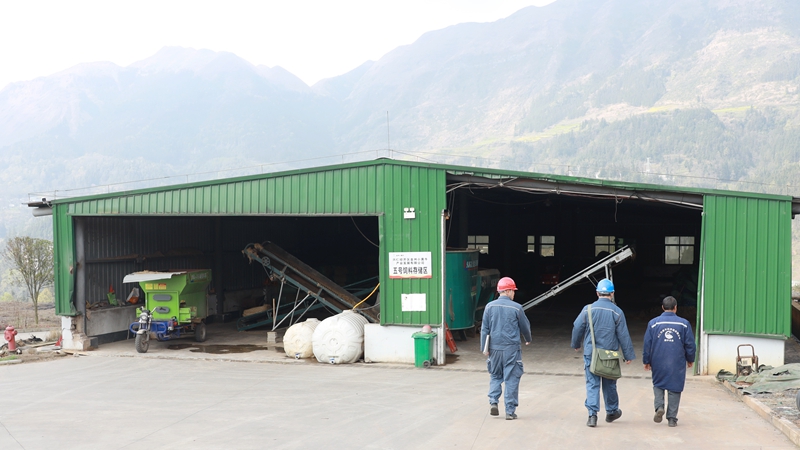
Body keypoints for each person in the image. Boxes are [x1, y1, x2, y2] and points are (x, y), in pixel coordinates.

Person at [571, 278, 635, 428]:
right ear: (612, 294)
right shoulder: (617, 312)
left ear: (597, 293)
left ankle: (592, 416)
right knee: (610, 384)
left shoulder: (587, 310)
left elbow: (577, 327)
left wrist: (576, 344)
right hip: (609, 355)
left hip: (591, 353)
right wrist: (628, 355)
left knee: (592, 384)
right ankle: (612, 411)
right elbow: (623, 335)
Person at [480, 276, 532, 420]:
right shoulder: (517, 307)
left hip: (494, 349)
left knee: (496, 376)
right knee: (511, 378)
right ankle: (509, 411)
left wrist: (485, 348)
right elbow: (525, 327)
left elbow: (485, 329)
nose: (514, 294)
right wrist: (528, 339)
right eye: (513, 291)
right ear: (508, 291)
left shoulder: (489, 307)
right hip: (511, 350)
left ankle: (493, 402)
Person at [643, 296, 696, 427]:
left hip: (658, 360)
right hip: (676, 361)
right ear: (676, 308)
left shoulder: (653, 323)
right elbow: (690, 344)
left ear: (662, 307)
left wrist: (646, 360)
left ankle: (659, 407)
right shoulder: (684, 324)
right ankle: (672, 418)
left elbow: (647, 344)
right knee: (675, 387)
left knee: (658, 384)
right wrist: (690, 359)